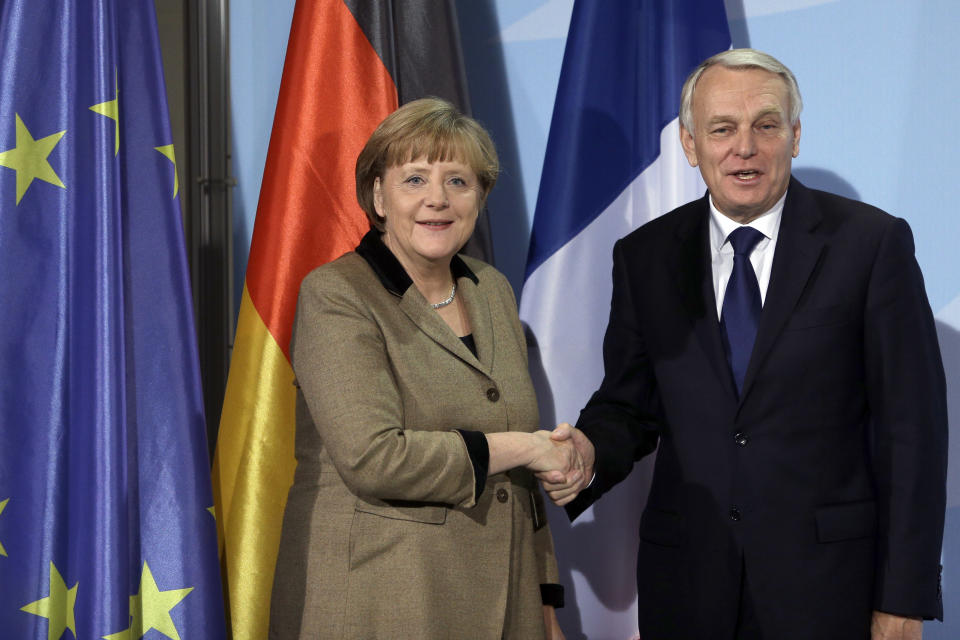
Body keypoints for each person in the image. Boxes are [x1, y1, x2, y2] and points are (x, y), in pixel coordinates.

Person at [540, 49, 947, 639]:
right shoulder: (646, 256)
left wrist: (903, 597)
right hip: (688, 585)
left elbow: (913, 432)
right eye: (722, 128)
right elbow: (630, 404)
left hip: (829, 589)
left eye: (766, 125)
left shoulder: (870, 244)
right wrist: (588, 453)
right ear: (689, 144)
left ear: (795, 135)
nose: (745, 148)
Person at [269, 97, 579, 639]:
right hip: (384, 602)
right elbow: (376, 458)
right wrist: (528, 446)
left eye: (458, 181)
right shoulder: (337, 294)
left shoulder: (491, 289)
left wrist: (544, 602)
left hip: (508, 604)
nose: (437, 199)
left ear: (480, 196)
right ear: (377, 195)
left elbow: (519, 486)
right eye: (414, 179)